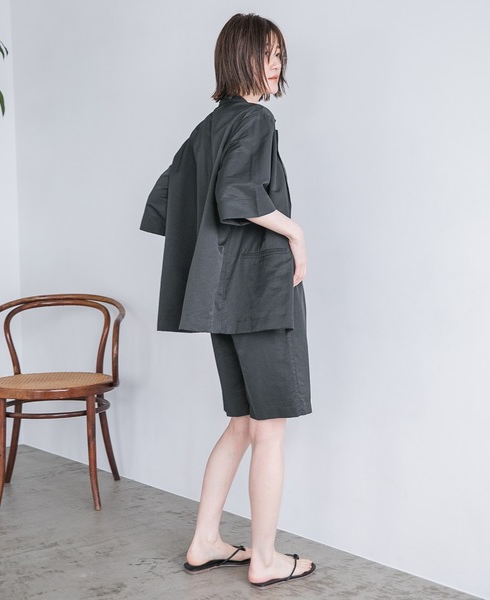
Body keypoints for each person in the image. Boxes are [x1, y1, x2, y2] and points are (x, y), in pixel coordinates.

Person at [141, 13, 315, 588]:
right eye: (267, 54)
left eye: (279, 54)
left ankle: (206, 542)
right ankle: (264, 559)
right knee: (269, 430)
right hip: (262, 295)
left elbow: (166, 200)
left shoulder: (206, 128)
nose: (276, 65)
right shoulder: (257, 120)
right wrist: (293, 232)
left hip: (223, 298)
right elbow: (237, 194)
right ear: (239, 56)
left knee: (241, 423)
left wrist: (215, 253)